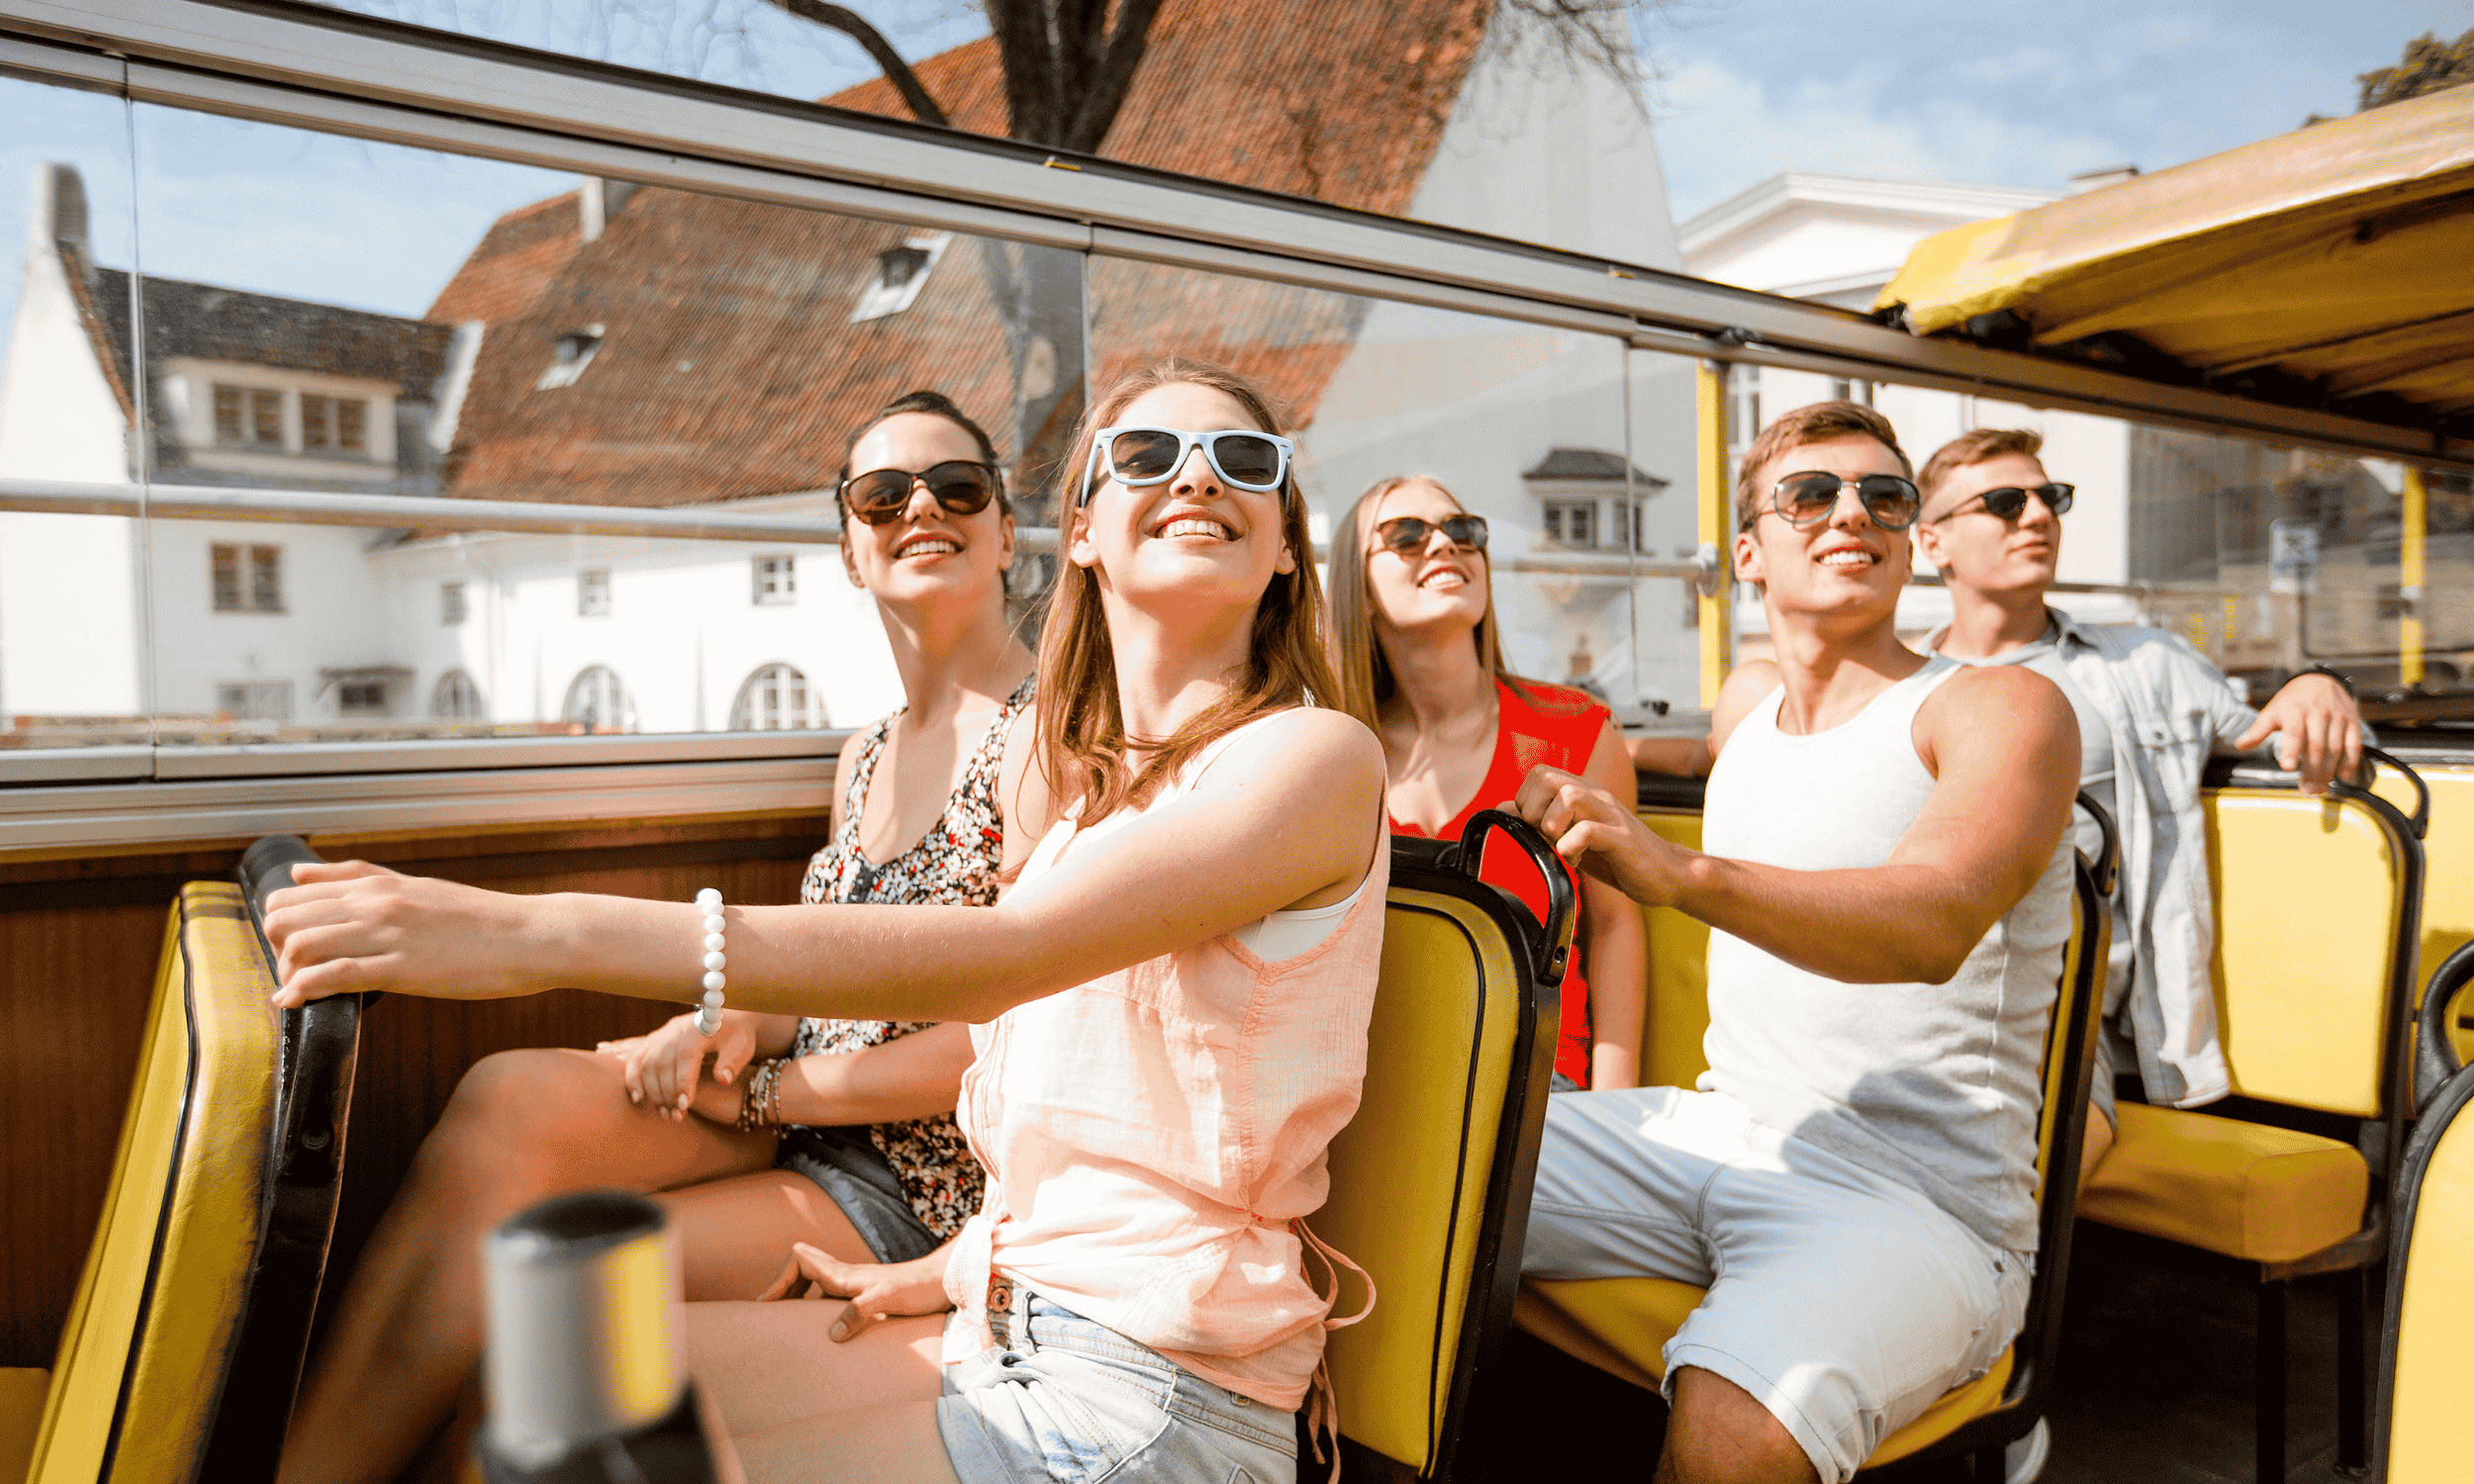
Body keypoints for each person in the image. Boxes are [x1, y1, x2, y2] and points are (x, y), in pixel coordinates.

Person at [265, 360, 1388, 1484]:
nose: (1196, 479)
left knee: (589, 1440)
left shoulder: (1309, 758)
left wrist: (531, 936)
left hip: (1147, 1391)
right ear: (1084, 529)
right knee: (546, 1373)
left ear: (1286, 543)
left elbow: (1001, 965)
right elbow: (1085, 1120)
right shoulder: (1103, 797)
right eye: (1148, 457)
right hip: (1009, 1317)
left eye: (1244, 462)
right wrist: (956, 1264)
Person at [276, 390, 1040, 1484]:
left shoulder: (1046, 735)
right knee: (508, 1098)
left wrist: (768, 1095)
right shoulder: (866, 752)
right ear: (848, 551)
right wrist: (722, 1023)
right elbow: (825, 961)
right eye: (883, 496)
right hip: (800, 1117)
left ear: (1007, 532)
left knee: (544, 1289)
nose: (920, 507)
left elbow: (1015, 1039)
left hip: (919, 1182)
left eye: (955, 488)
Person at [1506, 401, 2082, 1484]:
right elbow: (1722, 751)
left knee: (1731, 1438)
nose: (1849, 514)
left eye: (1884, 496)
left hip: (1916, 1205)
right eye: (1810, 494)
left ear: (1913, 538)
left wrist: (1679, 874)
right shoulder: (1750, 706)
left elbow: (1931, 921)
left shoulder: (1998, 709)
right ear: (1747, 555)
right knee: (1384, 1168)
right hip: (1723, 1130)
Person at [1912, 426, 2368, 1173]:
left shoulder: (2143, 663)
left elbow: (2286, 743)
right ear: (1935, 544)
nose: (2037, 516)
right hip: (1919, 976)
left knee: (2014, 1143)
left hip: (2059, 1003)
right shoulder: (1906, 686)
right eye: (2003, 501)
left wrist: (2319, 682)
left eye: (2049, 497)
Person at [1329, 473, 1646, 1090]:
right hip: (1374, 1087)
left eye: (1463, 531)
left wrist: (1617, 1111)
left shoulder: (1575, 734)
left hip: (1538, 1089)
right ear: (1359, 588)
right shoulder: (1332, 757)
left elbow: (1614, 929)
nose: (1444, 545)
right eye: (1407, 535)